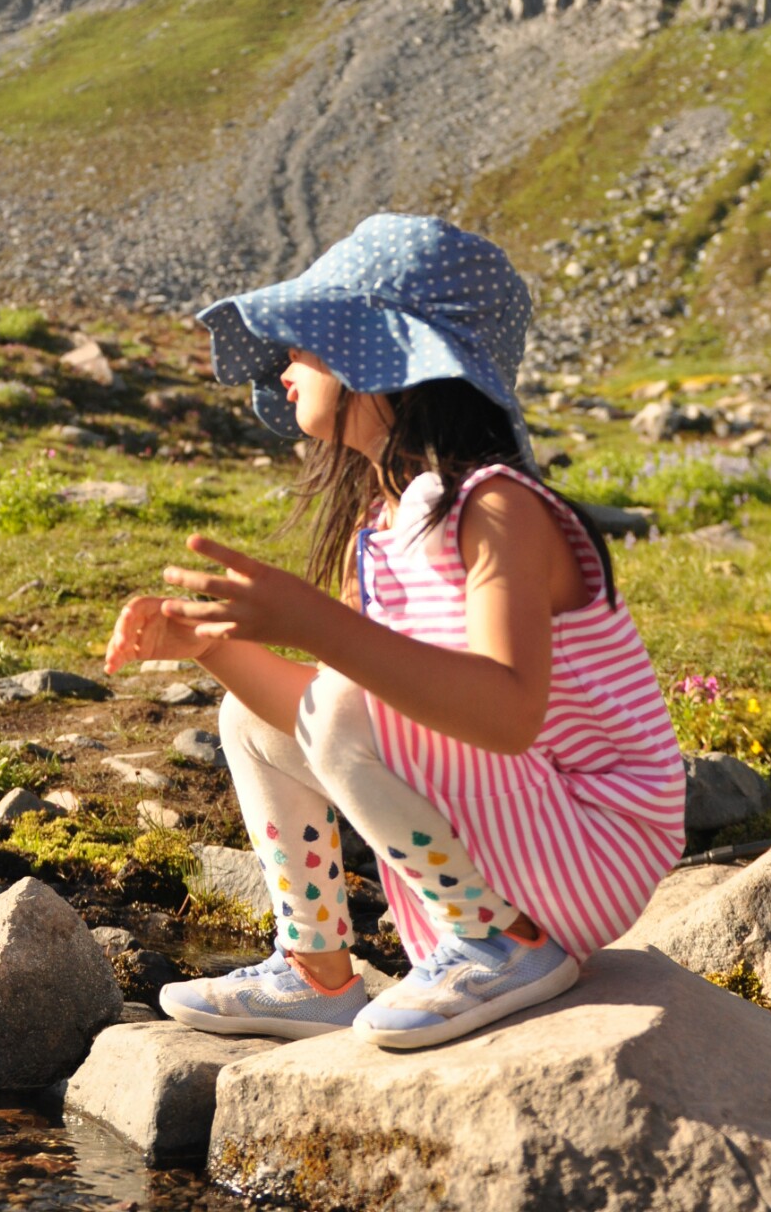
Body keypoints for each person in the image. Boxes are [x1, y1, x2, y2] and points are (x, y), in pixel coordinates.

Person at [104, 214, 685, 1050]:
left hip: (594, 832)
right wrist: (211, 647)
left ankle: (500, 944)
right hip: (520, 817)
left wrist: (318, 627)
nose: (284, 363)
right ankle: (317, 970)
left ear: (386, 359)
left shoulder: (495, 508)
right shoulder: (384, 524)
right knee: (253, 716)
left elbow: (508, 713)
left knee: (341, 697)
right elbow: (336, 716)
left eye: (307, 340)